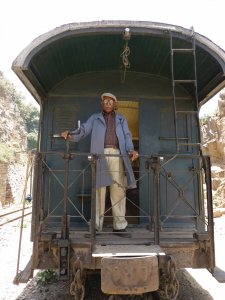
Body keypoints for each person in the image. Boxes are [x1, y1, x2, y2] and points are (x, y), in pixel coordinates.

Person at [61, 92, 138, 235]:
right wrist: (70, 134)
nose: (108, 103)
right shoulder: (94, 118)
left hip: (117, 154)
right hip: (99, 155)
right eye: (105, 101)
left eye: (111, 101)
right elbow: (83, 129)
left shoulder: (121, 119)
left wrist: (131, 150)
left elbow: (127, 135)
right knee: (99, 189)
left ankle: (119, 225)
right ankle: (96, 225)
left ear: (115, 104)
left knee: (119, 189)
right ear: (101, 104)